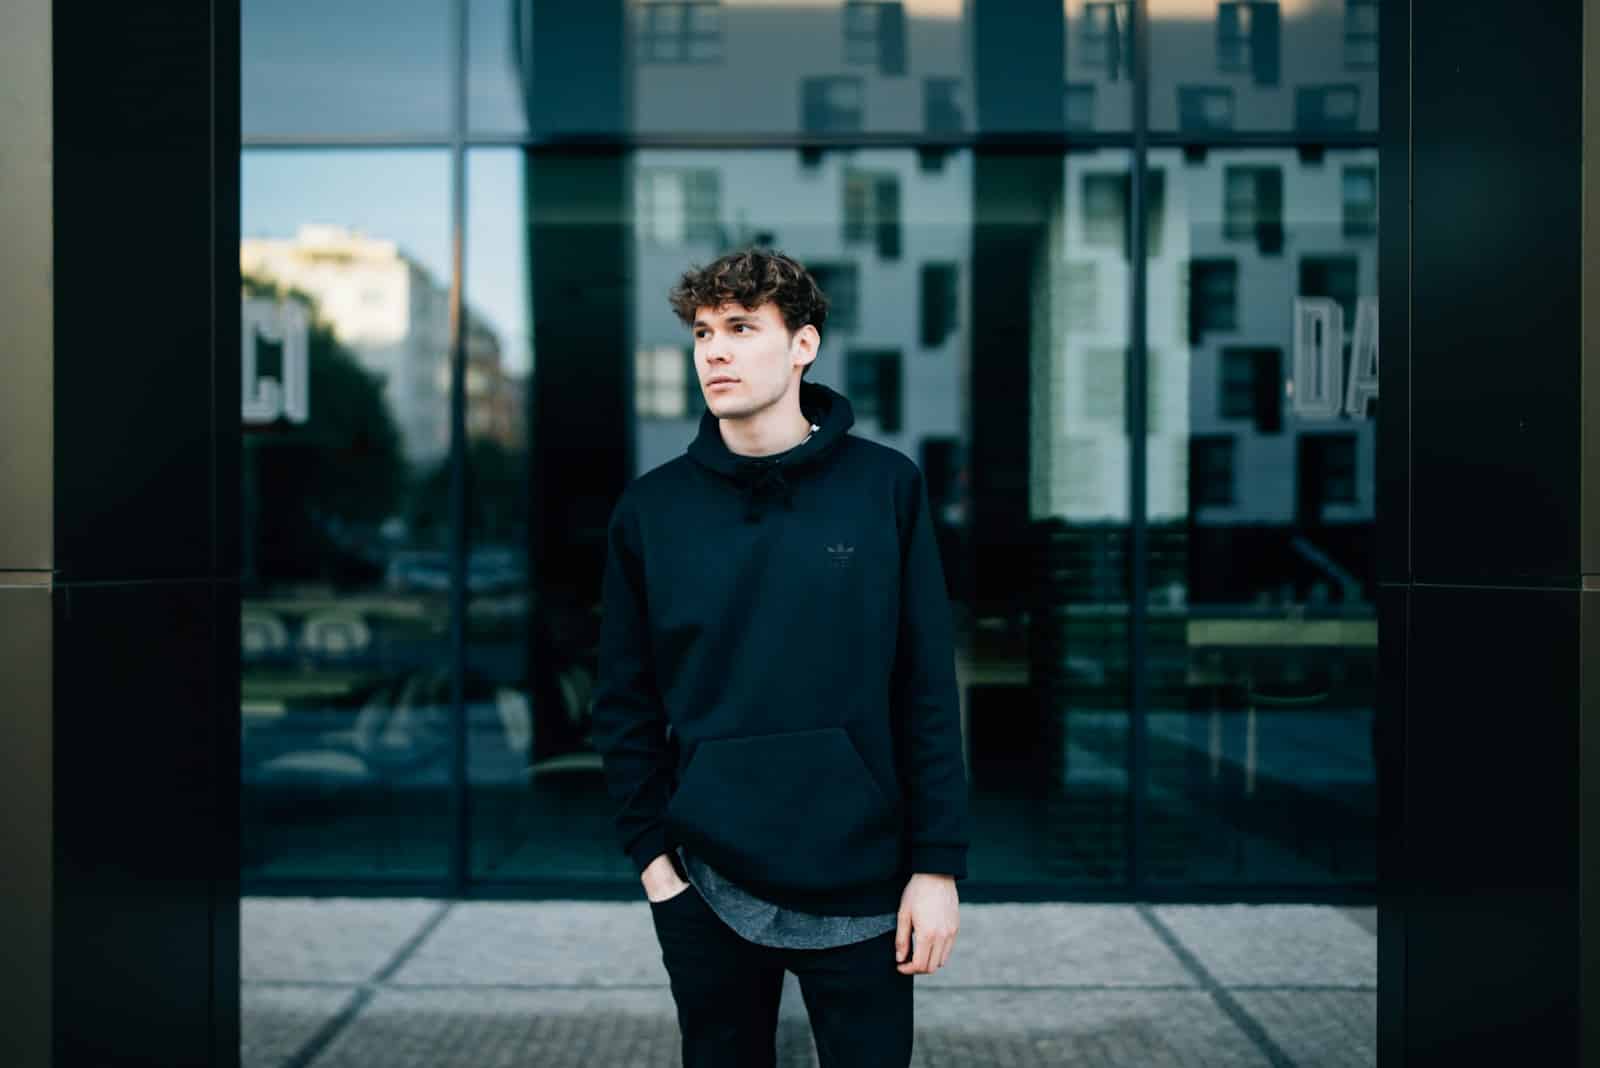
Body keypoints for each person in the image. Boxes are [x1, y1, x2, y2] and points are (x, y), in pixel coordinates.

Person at [590, 247, 971, 1068]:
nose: (714, 351)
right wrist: (658, 869)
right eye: (701, 333)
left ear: (803, 345)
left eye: (740, 328)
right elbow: (623, 703)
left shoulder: (884, 489)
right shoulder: (653, 511)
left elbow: (927, 688)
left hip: (866, 883)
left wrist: (936, 868)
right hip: (707, 882)